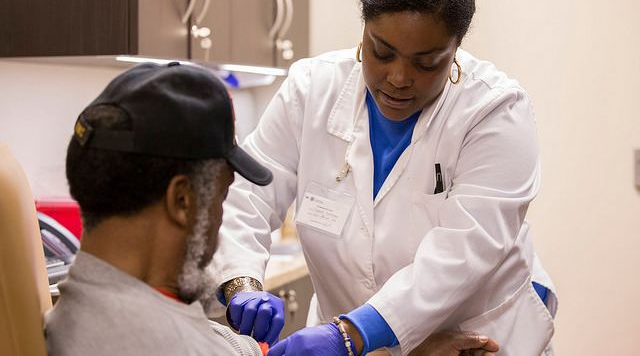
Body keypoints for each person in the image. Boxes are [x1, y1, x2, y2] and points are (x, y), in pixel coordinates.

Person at [43, 61, 499, 356]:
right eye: (222, 195)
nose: (225, 216)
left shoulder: (73, 311)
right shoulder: (170, 343)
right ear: (181, 201)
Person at [210, 0, 557, 355]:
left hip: (475, 340)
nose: (398, 78)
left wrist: (349, 335)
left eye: (426, 63)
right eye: (381, 52)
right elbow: (248, 193)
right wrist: (241, 283)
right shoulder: (311, 89)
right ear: (364, 31)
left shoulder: (496, 111)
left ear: (455, 50)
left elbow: (465, 252)